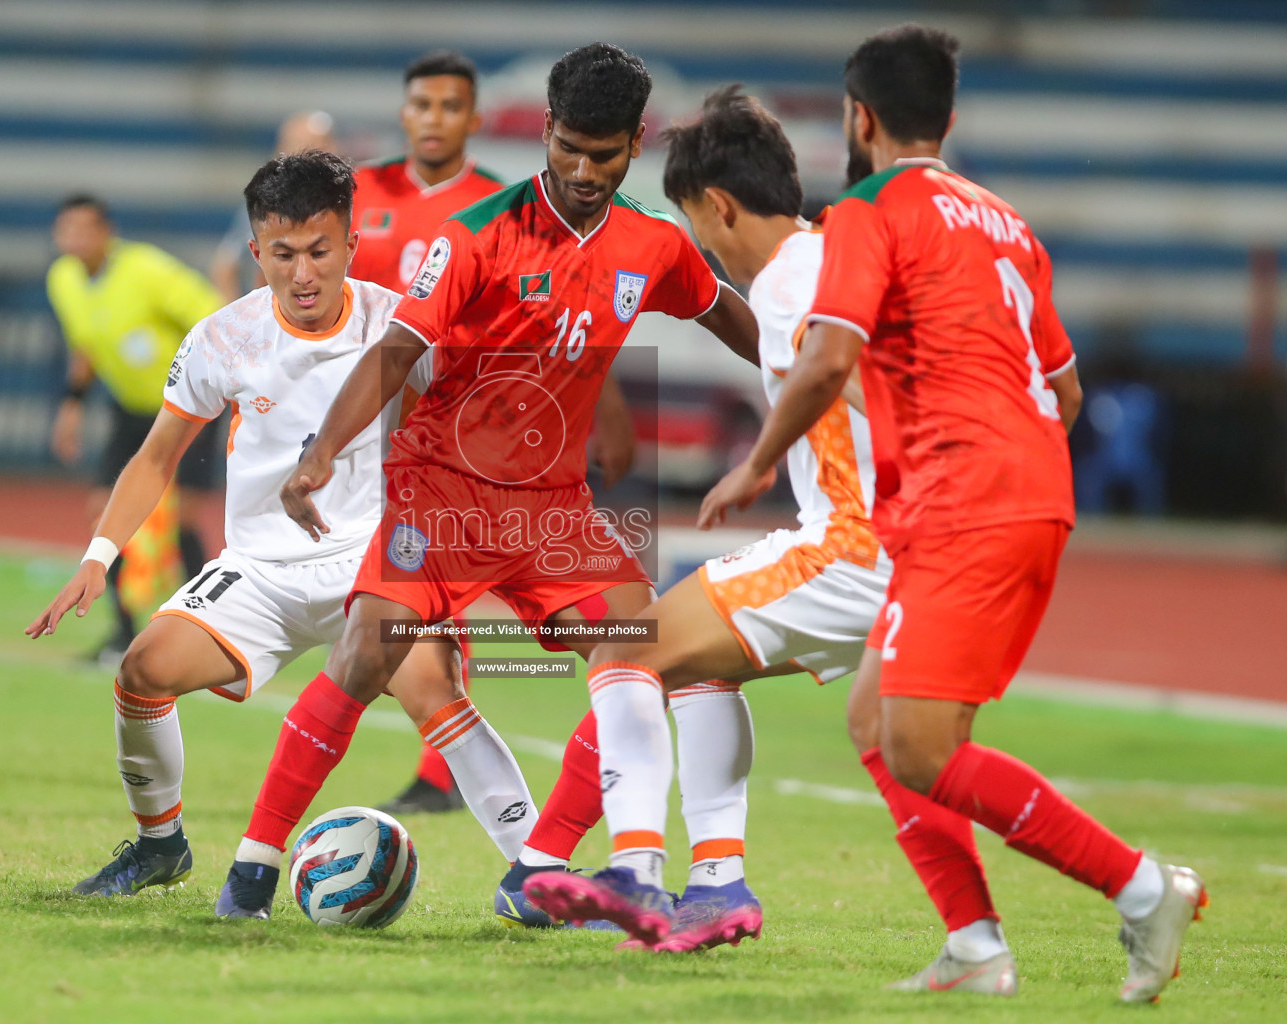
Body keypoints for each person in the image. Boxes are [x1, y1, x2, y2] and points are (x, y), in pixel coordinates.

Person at [573, 25, 1208, 1004]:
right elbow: (1066, 390)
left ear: (857, 119)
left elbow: (832, 362)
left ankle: (1141, 886)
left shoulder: (867, 218)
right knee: (877, 722)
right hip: (1015, 493)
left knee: (878, 730)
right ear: (950, 116)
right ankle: (973, 940)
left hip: (949, 507)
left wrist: (758, 464)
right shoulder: (1004, 221)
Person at [252, 42, 762, 925]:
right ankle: (253, 868)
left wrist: (815, 386)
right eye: (568, 147)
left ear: (636, 142)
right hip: (438, 490)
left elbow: (729, 315)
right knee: (368, 653)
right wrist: (322, 452)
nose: (584, 169)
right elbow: (399, 348)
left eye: (604, 154)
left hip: (553, 508)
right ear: (547, 133)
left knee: (636, 648)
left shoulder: (655, 245)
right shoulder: (478, 233)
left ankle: (538, 869)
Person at [26, 152, 538, 919]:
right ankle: (161, 843)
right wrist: (99, 557)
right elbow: (157, 454)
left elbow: (480, 428)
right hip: (261, 569)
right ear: (257, 250)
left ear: (350, 244)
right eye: (283, 254)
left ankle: (536, 870)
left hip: (371, 560)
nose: (303, 274)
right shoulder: (221, 338)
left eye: (320, 251)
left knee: (433, 688)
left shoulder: (399, 327)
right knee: (143, 670)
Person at [509, 85, 889, 955]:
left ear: (717, 206)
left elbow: (857, 381)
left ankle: (635, 869)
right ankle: (716, 883)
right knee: (701, 663)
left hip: (854, 544)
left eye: (698, 225)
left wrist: (757, 464)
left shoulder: (792, 281)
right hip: (882, 551)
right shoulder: (839, 257)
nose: (706, 248)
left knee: (626, 645)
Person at [352, 50, 641, 816]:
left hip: (459, 435)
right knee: (372, 616)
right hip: (359, 417)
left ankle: (438, 767)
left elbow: (574, 326)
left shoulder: (502, 206)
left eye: (452, 106)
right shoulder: (358, 194)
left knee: (429, 597)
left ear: (475, 120)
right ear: (405, 111)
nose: (435, 118)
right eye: (423, 104)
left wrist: (606, 416)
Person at [46, 195, 224, 663]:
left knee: (182, 520)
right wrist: (72, 405)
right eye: (67, 230)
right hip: (128, 408)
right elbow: (84, 347)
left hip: (188, 407)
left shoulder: (147, 269)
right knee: (104, 512)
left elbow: (213, 316)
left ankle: (207, 633)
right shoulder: (62, 279)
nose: (76, 240)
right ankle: (122, 633)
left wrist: (213, 382)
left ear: (107, 231)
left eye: (86, 229)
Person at [209, 111, 339, 302]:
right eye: (301, 146)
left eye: (320, 145)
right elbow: (226, 266)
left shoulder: (349, 202)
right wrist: (237, 321)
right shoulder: (266, 205)